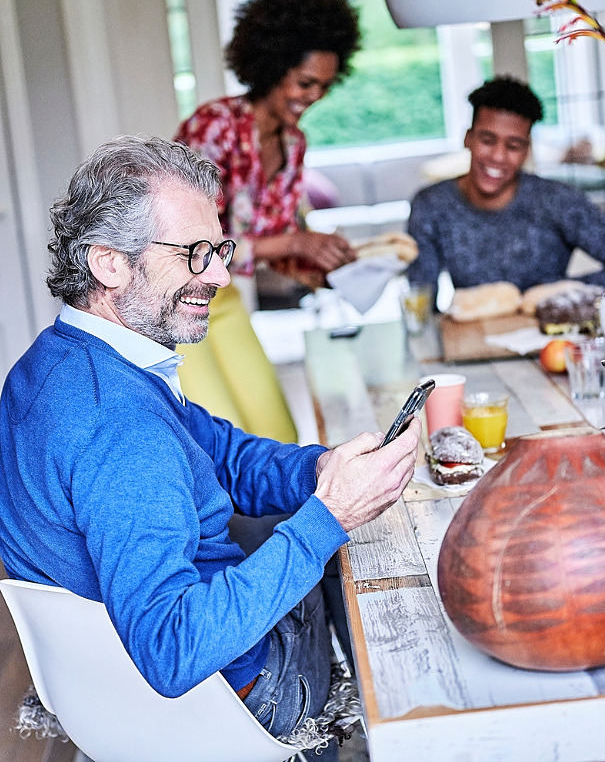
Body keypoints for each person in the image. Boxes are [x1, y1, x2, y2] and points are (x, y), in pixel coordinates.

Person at [0, 136, 420, 757]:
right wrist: (332, 516)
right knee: (370, 565)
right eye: (195, 253)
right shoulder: (120, 429)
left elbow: (218, 453)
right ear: (110, 264)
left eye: (219, 249)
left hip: (106, 689)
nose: (221, 274)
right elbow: (174, 650)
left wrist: (321, 469)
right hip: (227, 698)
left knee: (323, 534)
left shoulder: (59, 362)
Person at [173, 0, 360, 439]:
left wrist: (326, 266)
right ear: (272, 66)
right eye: (304, 82)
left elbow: (270, 245)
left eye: (324, 86)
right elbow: (193, 247)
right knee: (223, 446)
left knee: (279, 439)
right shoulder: (213, 127)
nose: (314, 96)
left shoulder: (293, 144)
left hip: (225, 298)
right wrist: (298, 240)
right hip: (172, 303)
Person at [406, 76, 605, 293]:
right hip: (473, 340)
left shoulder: (557, 200)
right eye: (487, 140)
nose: (497, 156)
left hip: (554, 341)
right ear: (468, 139)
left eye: (513, 146)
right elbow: (421, 297)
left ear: (527, 151)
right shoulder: (431, 205)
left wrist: (556, 291)